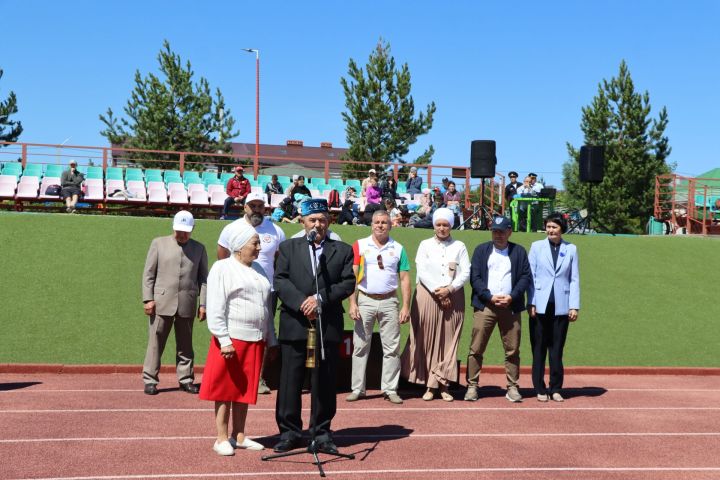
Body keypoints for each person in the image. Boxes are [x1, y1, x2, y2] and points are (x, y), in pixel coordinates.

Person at [272, 198, 355, 454]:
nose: (317, 224)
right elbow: (281, 280)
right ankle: (289, 432)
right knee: (290, 381)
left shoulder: (341, 250)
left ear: (328, 222)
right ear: (303, 221)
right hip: (294, 322)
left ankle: (321, 433)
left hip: (326, 323)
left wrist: (320, 299)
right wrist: (301, 303)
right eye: (312, 220)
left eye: (321, 220)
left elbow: (347, 282)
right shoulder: (288, 247)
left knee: (325, 382)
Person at [200, 222, 277, 456]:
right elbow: (215, 306)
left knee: (245, 389)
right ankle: (221, 438)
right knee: (225, 389)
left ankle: (239, 435)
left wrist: (271, 339)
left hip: (256, 340)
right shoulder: (222, 268)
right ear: (239, 246)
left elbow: (266, 308)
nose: (258, 248)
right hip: (232, 340)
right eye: (254, 244)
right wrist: (223, 339)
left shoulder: (260, 270)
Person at [217, 191, 286, 395]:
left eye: (260, 206)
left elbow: (279, 260)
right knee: (234, 330)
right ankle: (234, 375)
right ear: (245, 207)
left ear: (265, 208)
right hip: (236, 288)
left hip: (267, 290)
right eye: (252, 205)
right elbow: (221, 257)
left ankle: (259, 378)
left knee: (263, 333)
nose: (256, 209)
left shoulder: (276, 231)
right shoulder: (231, 229)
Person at [401, 208, 470, 401]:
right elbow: (421, 271)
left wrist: (450, 289)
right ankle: (429, 385)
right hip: (428, 295)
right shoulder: (425, 244)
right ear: (434, 226)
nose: (442, 228)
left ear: (451, 226)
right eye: (439, 224)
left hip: (453, 297)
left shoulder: (459, 245)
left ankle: (444, 385)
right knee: (427, 338)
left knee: (448, 341)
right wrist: (439, 291)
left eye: (445, 225)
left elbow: (466, 272)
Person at [464, 216, 531, 403]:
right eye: (495, 231)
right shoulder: (481, 250)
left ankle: (512, 387)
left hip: (511, 306)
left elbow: (525, 277)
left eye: (502, 231)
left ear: (510, 231)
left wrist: (512, 296)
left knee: (512, 350)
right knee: (476, 348)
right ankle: (472, 386)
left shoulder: (519, 251)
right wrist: (489, 296)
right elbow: (474, 277)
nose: (498, 235)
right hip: (485, 305)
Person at [347, 210, 411, 405]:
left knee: (391, 348)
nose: (380, 225)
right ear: (371, 224)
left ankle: (390, 389)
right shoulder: (359, 245)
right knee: (360, 346)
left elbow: (405, 278)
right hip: (365, 300)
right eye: (377, 222)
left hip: (390, 301)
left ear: (390, 225)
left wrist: (405, 306)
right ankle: (358, 389)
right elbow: (352, 275)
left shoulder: (398, 248)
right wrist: (353, 302)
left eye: (384, 222)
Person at [141, 210, 208, 395]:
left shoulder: (199, 248)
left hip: (187, 303)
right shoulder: (158, 243)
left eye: (186, 231)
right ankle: (150, 380)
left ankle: (186, 379)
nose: (183, 234)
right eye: (179, 230)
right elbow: (148, 274)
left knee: (186, 345)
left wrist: (203, 304)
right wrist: (148, 299)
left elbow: (204, 279)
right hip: (161, 303)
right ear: (173, 227)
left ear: (193, 228)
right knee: (155, 343)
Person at [527, 213, 580, 403]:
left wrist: (574, 306)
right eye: (548, 227)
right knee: (539, 348)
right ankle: (539, 388)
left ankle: (556, 388)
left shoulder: (571, 249)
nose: (550, 230)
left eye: (554, 227)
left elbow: (574, 279)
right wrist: (531, 302)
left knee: (557, 349)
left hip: (562, 306)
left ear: (562, 229)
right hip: (539, 306)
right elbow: (530, 276)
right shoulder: (536, 247)